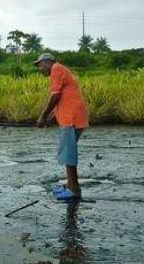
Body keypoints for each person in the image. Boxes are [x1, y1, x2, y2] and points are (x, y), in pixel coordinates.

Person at [34, 53, 89, 201]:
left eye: (40, 64)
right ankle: (70, 186)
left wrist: (43, 116)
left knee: (68, 153)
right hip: (72, 117)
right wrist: (52, 116)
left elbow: (55, 96)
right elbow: (62, 98)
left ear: (48, 62)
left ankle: (74, 190)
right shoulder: (59, 70)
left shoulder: (56, 69)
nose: (40, 68)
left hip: (72, 119)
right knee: (67, 152)